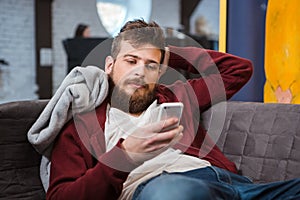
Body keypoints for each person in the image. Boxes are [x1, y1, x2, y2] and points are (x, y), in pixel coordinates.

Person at [46, 20, 300, 200]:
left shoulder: (179, 96)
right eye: (131, 61)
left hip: (234, 186)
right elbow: (61, 196)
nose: (140, 71)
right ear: (110, 66)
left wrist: (168, 53)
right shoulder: (83, 124)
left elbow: (239, 70)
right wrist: (125, 157)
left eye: (151, 65)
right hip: (162, 188)